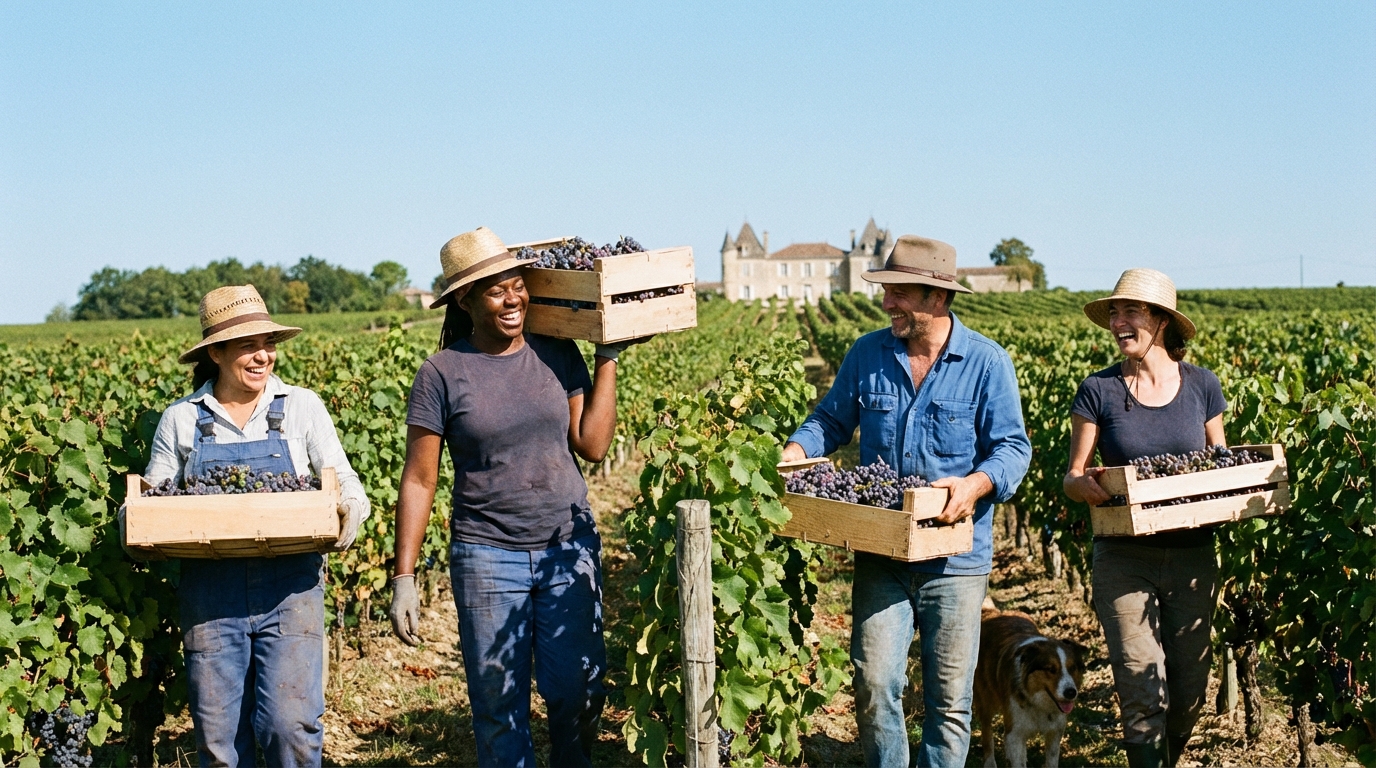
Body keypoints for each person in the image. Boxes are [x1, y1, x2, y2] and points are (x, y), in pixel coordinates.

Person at [387, 226, 637, 768]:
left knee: (580, 691)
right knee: (499, 709)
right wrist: (404, 576)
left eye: (517, 284)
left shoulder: (556, 352)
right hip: (485, 555)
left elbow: (592, 445)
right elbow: (419, 479)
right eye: (495, 289)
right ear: (465, 299)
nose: (512, 298)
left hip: (566, 548)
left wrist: (608, 357)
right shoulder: (441, 374)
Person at [781, 235, 1032, 767]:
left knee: (950, 703)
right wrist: (797, 449)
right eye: (887, 291)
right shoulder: (867, 354)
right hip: (882, 552)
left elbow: (1013, 448)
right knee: (873, 686)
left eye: (899, 292)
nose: (887, 302)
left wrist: (975, 485)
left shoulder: (988, 363)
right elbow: (830, 420)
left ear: (937, 297)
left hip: (956, 560)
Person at [139, 285, 369, 767]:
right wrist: (135, 520)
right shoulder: (181, 420)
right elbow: (155, 496)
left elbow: (345, 479)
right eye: (247, 345)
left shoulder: (303, 406)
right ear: (216, 353)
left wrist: (348, 508)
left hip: (291, 590)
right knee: (220, 743)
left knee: (290, 728)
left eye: (267, 342)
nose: (263, 355)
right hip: (210, 595)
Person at [1063, 269, 1224, 768]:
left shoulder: (1203, 386)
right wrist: (1084, 486)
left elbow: (1222, 462)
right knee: (1140, 685)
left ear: (1159, 320)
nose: (1118, 322)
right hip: (1123, 556)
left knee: (1190, 689)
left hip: (1192, 557)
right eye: (1113, 313)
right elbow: (1071, 476)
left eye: (1129, 311)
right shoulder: (1099, 390)